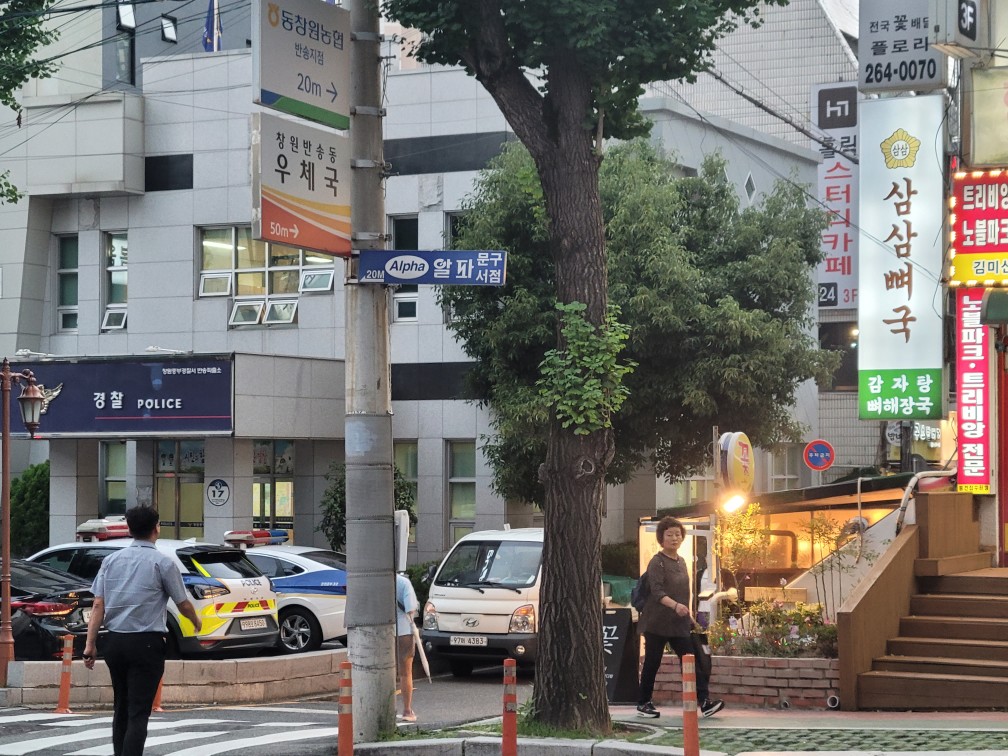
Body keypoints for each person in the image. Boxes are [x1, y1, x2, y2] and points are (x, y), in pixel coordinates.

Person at [83, 506, 202, 756]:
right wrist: (196, 621)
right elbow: (182, 602)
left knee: (121, 707)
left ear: (129, 528)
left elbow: (97, 605)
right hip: (147, 642)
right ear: (156, 527)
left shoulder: (111, 561)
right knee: (139, 711)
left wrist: (89, 644)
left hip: (114, 641)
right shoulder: (162, 563)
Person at [636, 516, 724, 719]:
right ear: (661, 538)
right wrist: (675, 606)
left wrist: (689, 615)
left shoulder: (682, 561)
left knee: (691, 661)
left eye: (677, 534)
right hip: (656, 623)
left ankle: (704, 702)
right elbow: (657, 592)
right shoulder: (657, 562)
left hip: (679, 624)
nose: (674, 538)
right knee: (652, 663)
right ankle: (643, 703)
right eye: (669, 535)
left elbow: (685, 593)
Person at [395, 572, 419, 723]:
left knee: (384, 672)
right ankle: (407, 710)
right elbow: (411, 609)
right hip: (403, 630)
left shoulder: (376, 581)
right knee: (405, 672)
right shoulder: (403, 582)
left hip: (382, 631)